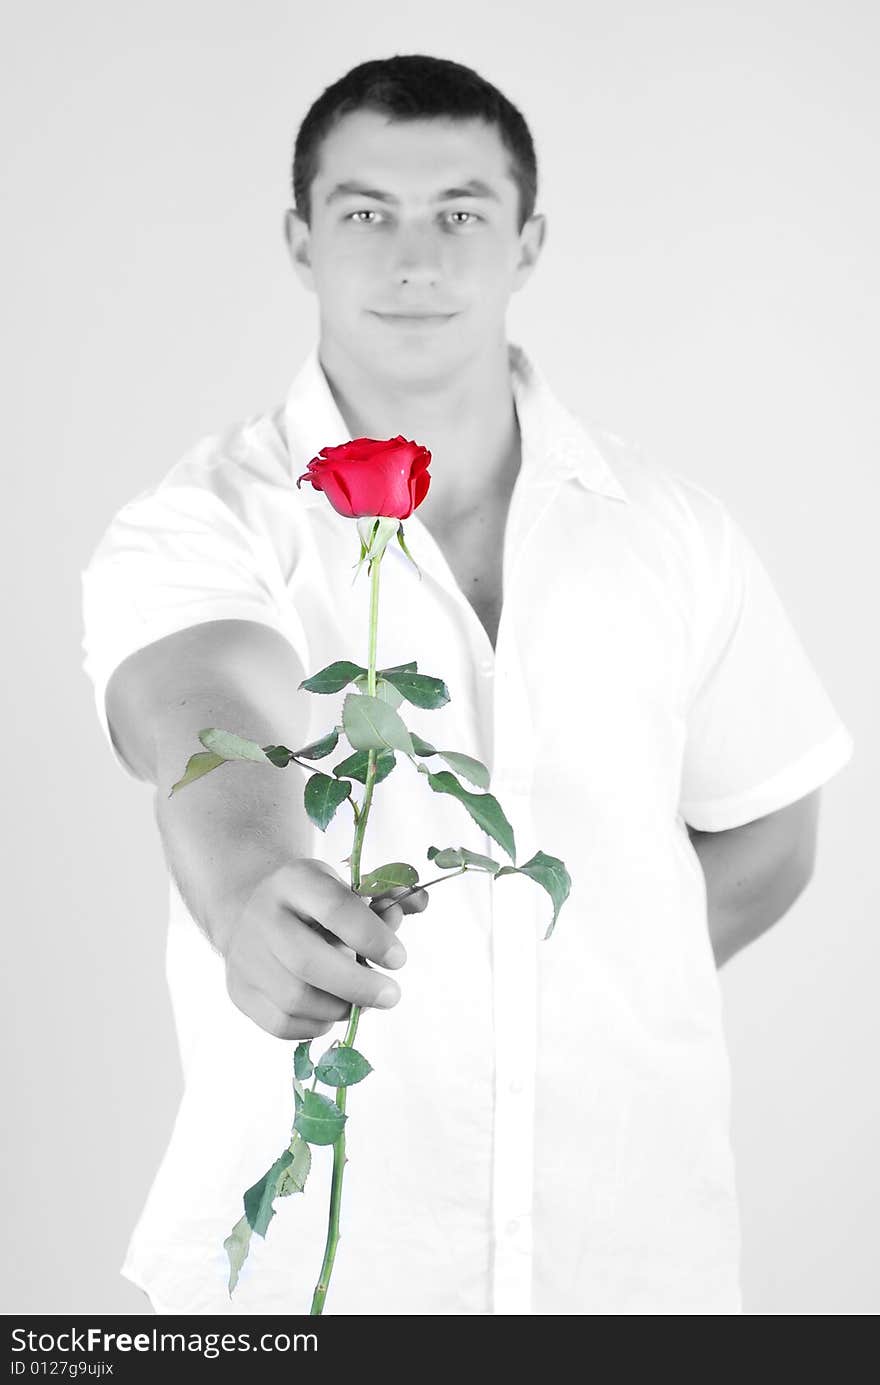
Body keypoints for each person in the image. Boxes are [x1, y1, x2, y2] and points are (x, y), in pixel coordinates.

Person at [80, 54, 855, 1316]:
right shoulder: (202, 520)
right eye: (366, 213)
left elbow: (770, 823)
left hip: (632, 1264)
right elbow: (207, 707)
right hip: (302, 1289)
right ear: (300, 237)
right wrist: (251, 898)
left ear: (527, 240)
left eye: (460, 213)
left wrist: (550, 983)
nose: (415, 261)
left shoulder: (674, 529)